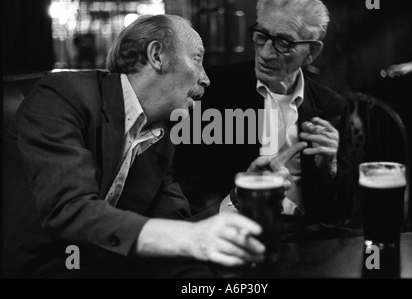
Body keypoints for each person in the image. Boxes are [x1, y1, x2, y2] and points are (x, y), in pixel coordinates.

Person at [2, 14, 268, 279]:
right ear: (157, 56)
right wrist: (190, 238)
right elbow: (68, 210)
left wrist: (237, 200)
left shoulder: (160, 135)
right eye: (197, 59)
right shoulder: (62, 96)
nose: (206, 79)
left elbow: (171, 232)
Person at [177, 0, 353, 241]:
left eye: (284, 43)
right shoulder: (211, 89)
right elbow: (183, 183)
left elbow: (343, 210)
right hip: (227, 231)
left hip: (305, 238)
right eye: (261, 35)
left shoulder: (332, 106)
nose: (267, 53)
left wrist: (330, 167)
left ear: (312, 52)